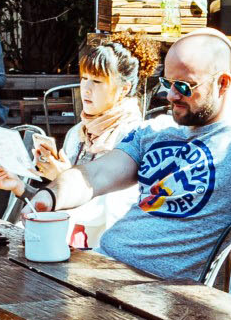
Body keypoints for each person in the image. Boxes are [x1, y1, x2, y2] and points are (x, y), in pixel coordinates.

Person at [0, 29, 231, 296]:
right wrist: (49, 196)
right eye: (168, 84)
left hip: (157, 296)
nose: (170, 95)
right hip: (101, 268)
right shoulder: (154, 130)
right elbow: (96, 174)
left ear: (223, 83)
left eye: (183, 86)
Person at [30, 34, 153, 242]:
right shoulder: (78, 131)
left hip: (104, 247)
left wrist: (64, 180)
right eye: (84, 78)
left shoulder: (132, 136)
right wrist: (17, 184)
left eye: (97, 81)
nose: (85, 89)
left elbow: (114, 210)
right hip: (71, 235)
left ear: (123, 89)